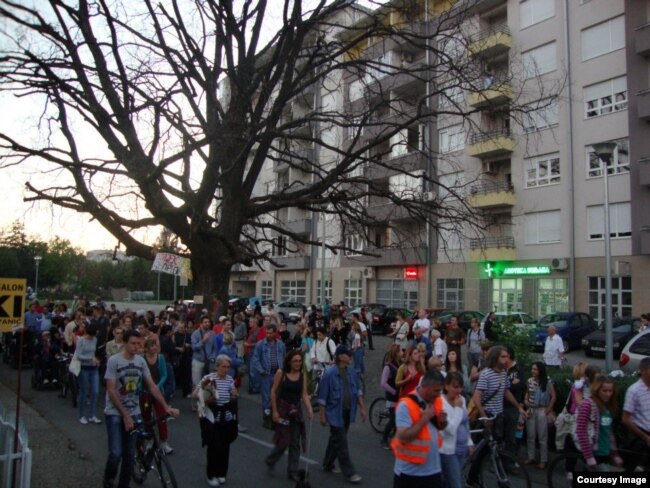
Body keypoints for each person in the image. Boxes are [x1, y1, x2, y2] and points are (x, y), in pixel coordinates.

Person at [103, 329, 179, 488]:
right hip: (115, 412)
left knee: (129, 456)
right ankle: (109, 478)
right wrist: (125, 415)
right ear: (124, 343)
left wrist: (166, 407)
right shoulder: (114, 361)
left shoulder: (140, 361)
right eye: (133, 343)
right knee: (116, 452)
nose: (136, 346)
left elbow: (152, 386)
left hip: (134, 410)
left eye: (139, 343)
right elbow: (111, 390)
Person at [467, 346, 526, 484]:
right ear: (495, 358)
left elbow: (506, 391)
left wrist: (518, 406)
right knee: (484, 448)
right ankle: (473, 476)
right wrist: (484, 416)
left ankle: (476, 476)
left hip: (498, 415)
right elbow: (477, 397)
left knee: (491, 447)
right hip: (488, 414)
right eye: (503, 357)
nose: (507, 359)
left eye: (507, 356)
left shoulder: (503, 373)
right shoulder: (486, 374)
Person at [317, 345, 366, 484]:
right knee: (342, 442)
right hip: (334, 413)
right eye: (347, 355)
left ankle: (327, 464)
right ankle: (349, 472)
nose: (350, 357)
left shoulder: (351, 372)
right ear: (340, 357)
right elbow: (322, 397)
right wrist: (322, 415)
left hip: (347, 411)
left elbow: (358, 391)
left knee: (336, 440)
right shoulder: (330, 373)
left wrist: (362, 407)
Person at [391, 370, 446, 488]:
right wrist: (424, 418)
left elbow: (438, 428)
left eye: (440, 391)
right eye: (436, 391)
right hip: (409, 473)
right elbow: (404, 437)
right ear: (425, 386)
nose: (439, 394)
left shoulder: (437, 401)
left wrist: (442, 422)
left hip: (433, 470)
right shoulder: (405, 405)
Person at [265, 349, 314, 480]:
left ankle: (292, 471)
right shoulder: (281, 373)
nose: (298, 363)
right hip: (283, 410)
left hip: (296, 411)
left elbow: (304, 394)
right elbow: (273, 392)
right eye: (295, 361)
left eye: (299, 361)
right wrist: (275, 411)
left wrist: (309, 408)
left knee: (295, 442)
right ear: (289, 362)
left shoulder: (302, 375)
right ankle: (271, 460)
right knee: (283, 441)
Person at [194, 354, 239, 487]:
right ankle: (211, 475)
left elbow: (233, 392)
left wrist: (234, 393)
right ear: (217, 366)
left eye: (228, 367)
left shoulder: (230, 379)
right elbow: (195, 393)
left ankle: (221, 474)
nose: (226, 370)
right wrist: (206, 396)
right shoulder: (208, 378)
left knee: (225, 448)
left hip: (227, 418)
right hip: (213, 418)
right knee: (213, 448)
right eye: (224, 367)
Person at [574, 375, 623, 471]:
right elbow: (580, 430)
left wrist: (615, 454)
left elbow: (608, 431)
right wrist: (589, 457)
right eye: (604, 391)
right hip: (592, 453)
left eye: (610, 391)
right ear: (597, 390)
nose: (608, 394)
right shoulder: (588, 405)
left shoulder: (608, 406)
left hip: (605, 453)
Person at [140, 337, 174, 454]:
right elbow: (140, 376)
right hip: (145, 392)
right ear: (146, 348)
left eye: (155, 345)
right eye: (151, 346)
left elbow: (164, 375)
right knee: (146, 417)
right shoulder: (141, 359)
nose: (154, 348)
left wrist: (157, 387)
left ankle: (164, 442)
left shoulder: (160, 358)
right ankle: (149, 440)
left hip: (158, 391)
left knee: (161, 416)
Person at [440, 372, 473, 488]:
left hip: (461, 449)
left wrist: (469, 442)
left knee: (447, 482)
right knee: (455, 484)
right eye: (455, 387)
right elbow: (450, 429)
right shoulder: (441, 403)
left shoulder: (461, 399)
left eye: (460, 387)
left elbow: (465, 422)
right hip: (448, 450)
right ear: (446, 386)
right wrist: (458, 409)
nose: (458, 390)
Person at [252, 323, 287, 428]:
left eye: (270, 333)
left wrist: (284, 371)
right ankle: (267, 420)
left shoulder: (280, 344)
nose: (268, 335)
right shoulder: (260, 345)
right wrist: (261, 370)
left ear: (275, 333)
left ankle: (276, 417)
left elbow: (284, 357)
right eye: (267, 333)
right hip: (267, 375)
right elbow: (255, 359)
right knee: (266, 399)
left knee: (278, 397)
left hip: (278, 374)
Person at [523, 361, 555, 470]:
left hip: (542, 409)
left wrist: (548, 409)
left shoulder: (547, 382)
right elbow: (527, 392)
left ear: (540, 370)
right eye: (532, 369)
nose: (533, 371)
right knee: (530, 435)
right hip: (531, 409)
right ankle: (531, 456)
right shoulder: (529, 381)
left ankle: (543, 460)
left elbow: (553, 396)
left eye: (535, 369)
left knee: (542, 437)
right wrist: (526, 400)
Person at [621, 357, 650, 471]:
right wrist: (646, 437)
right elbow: (625, 418)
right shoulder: (634, 391)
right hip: (641, 438)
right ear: (643, 371)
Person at [76, 322, 102, 425]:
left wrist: (96, 359)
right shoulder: (81, 340)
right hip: (84, 368)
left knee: (95, 391)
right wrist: (90, 358)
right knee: (84, 391)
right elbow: (78, 355)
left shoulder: (95, 340)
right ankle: (81, 415)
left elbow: (93, 352)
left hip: (93, 368)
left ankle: (92, 415)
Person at [503, 346, 526, 465]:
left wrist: (508, 386)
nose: (503, 359)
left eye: (505, 356)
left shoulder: (517, 368)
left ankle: (510, 462)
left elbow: (521, 384)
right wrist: (511, 384)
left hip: (513, 406)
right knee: (501, 435)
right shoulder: (501, 369)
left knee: (512, 436)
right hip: (501, 405)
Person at [191, 315, 217, 409]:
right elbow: (194, 347)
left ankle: (206, 401)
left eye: (208, 322)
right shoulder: (195, 334)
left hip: (209, 361)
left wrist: (213, 357)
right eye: (205, 322)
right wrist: (203, 341)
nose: (207, 324)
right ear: (201, 324)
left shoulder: (213, 334)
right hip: (198, 360)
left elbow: (215, 348)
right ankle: (195, 402)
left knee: (208, 383)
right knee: (197, 383)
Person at [380, 344, 402, 450]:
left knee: (396, 418)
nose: (402, 353)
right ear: (396, 353)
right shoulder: (388, 367)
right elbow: (383, 383)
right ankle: (384, 439)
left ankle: (395, 438)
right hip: (392, 396)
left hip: (398, 395)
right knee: (393, 419)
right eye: (400, 351)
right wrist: (393, 391)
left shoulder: (399, 364)